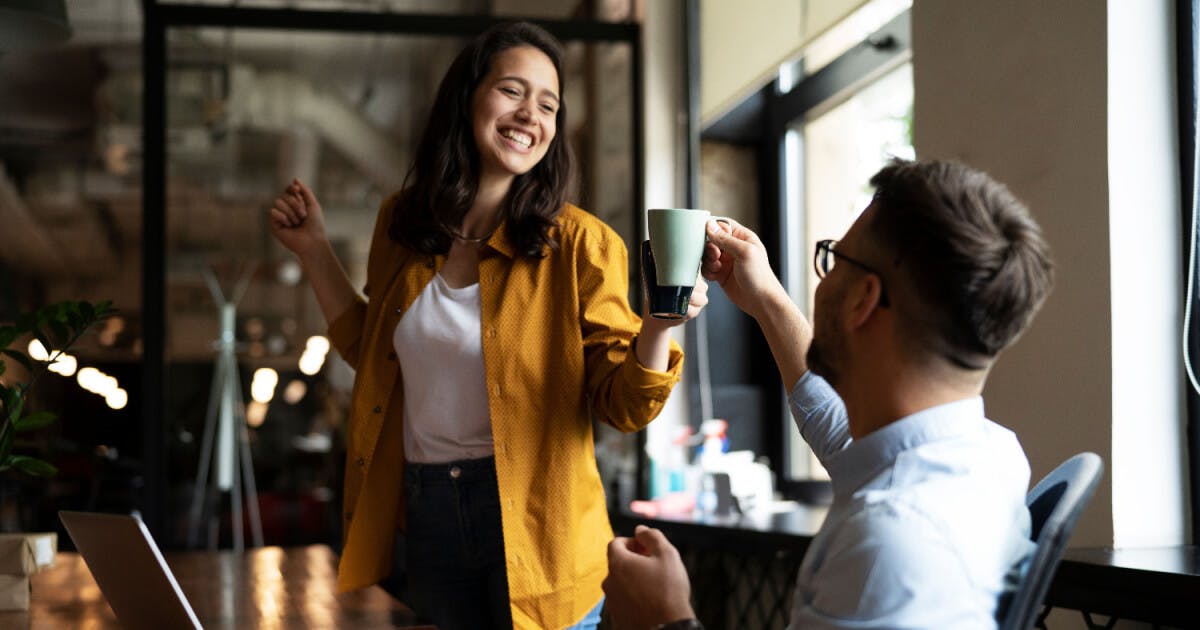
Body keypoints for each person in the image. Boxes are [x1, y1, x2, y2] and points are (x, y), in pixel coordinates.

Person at [269, 21, 706, 630]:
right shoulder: (403, 224)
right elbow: (375, 354)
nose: (531, 114)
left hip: (540, 522)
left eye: (548, 104)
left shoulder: (581, 244)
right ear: (467, 98)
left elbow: (624, 406)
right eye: (513, 91)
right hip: (429, 516)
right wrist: (315, 251)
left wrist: (661, 324)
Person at [603, 159, 1055, 629]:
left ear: (864, 299)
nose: (826, 273)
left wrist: (664, 619)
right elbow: (842, 434)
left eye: (835, 258)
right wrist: (766, 300)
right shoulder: (989, 455)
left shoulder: (888, 544)